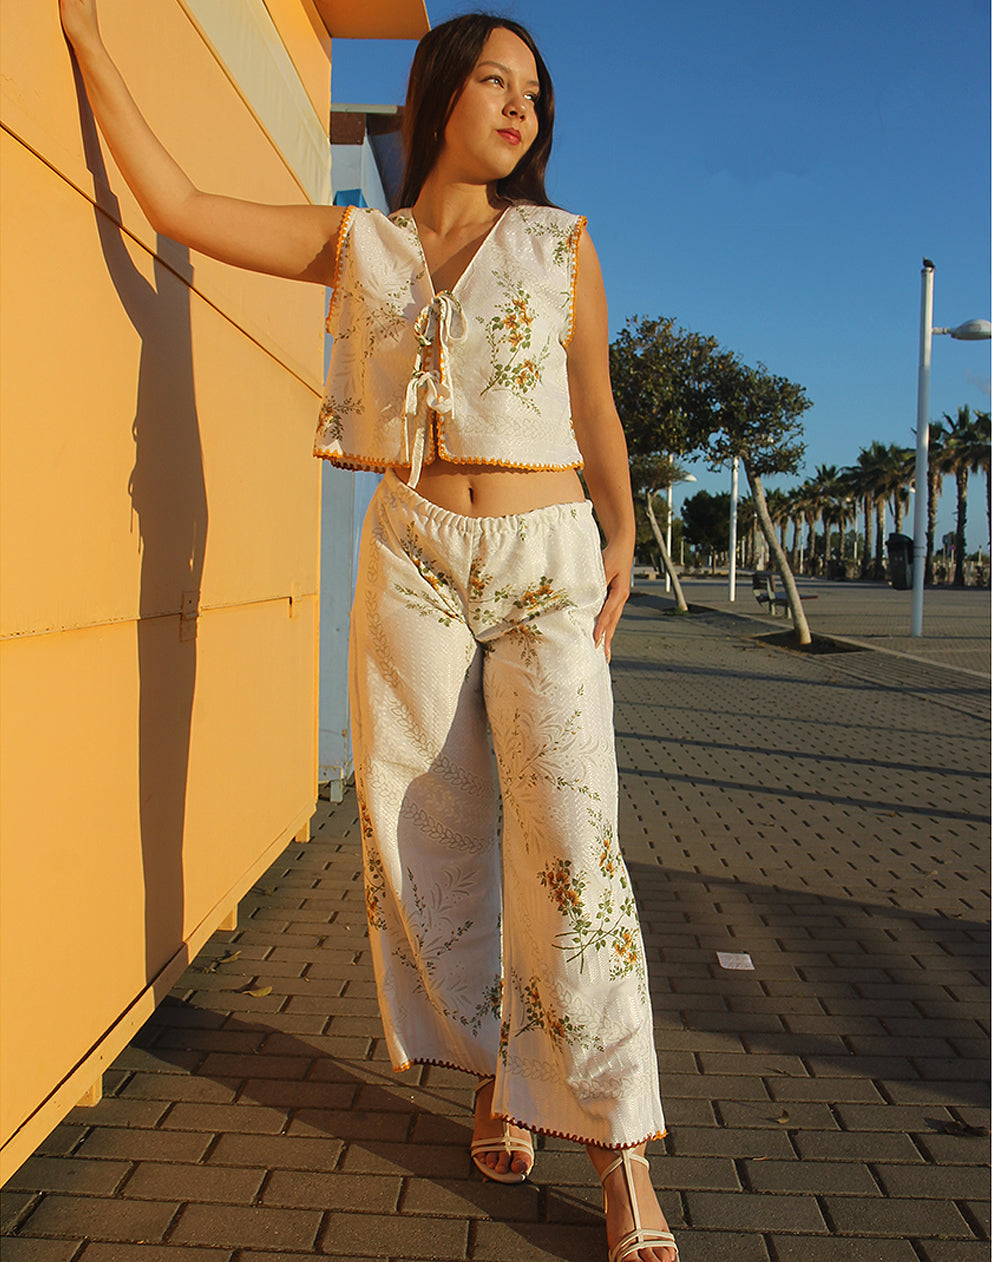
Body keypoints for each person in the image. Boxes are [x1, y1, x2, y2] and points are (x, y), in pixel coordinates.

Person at [58, 4, 678, 1258]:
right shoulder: (362, 244)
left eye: (534, 93)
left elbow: (593, 401)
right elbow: (178, 207)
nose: (521, 106)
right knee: (425, 831)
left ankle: (620, 1150)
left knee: (573, 845)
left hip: (545, 561)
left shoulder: (558, 239)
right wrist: (87, 39)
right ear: (439, 92)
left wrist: (621, 533)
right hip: (412, 559)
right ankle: (500, 1076)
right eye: (495, 81)